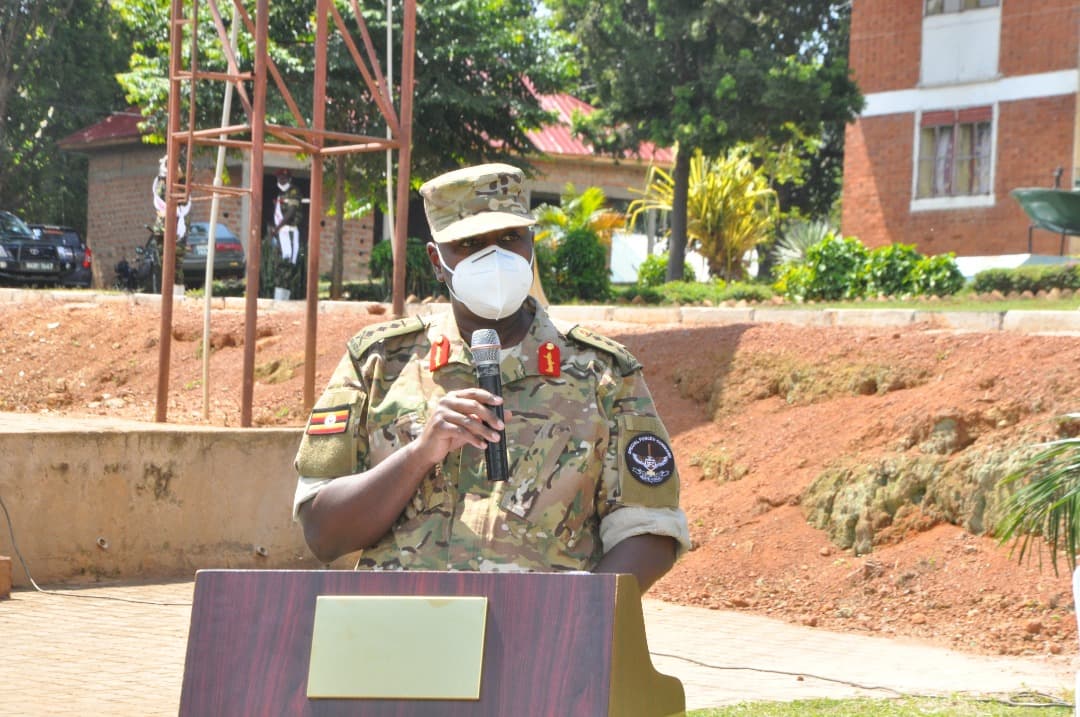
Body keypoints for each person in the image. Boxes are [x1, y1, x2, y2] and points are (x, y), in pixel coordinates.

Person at [292, 163, 689, 593]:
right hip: (402, 639)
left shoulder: (602, 374)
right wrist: (420, 454)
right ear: (437, 261)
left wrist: (576, 625)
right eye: (470, 244)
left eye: (508, 238)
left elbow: (649, 531)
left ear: (531, 244)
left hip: (538, 644)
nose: (494, 257)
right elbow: (323, 532)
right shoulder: (378, 365)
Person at [151, 154, 192, 285]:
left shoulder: (182, 180)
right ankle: (168, 291)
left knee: (176, 264)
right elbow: (160, 193)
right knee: (164, 263)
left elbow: (183, 198)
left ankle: (176, 292)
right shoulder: (162, 180)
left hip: (177, 225)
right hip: (162, 226)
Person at [271, 168, 303, 300]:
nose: (281, 181)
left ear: (289, 179)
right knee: (280, 264)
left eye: (283, 178)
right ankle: (280, 296)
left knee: (288, 262)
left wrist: (277, 228)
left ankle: (284, 296)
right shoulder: (281, 194)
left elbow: (291, 212)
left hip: (289, 232)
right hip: (281, 233)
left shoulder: (293, 192)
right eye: (279, 178)